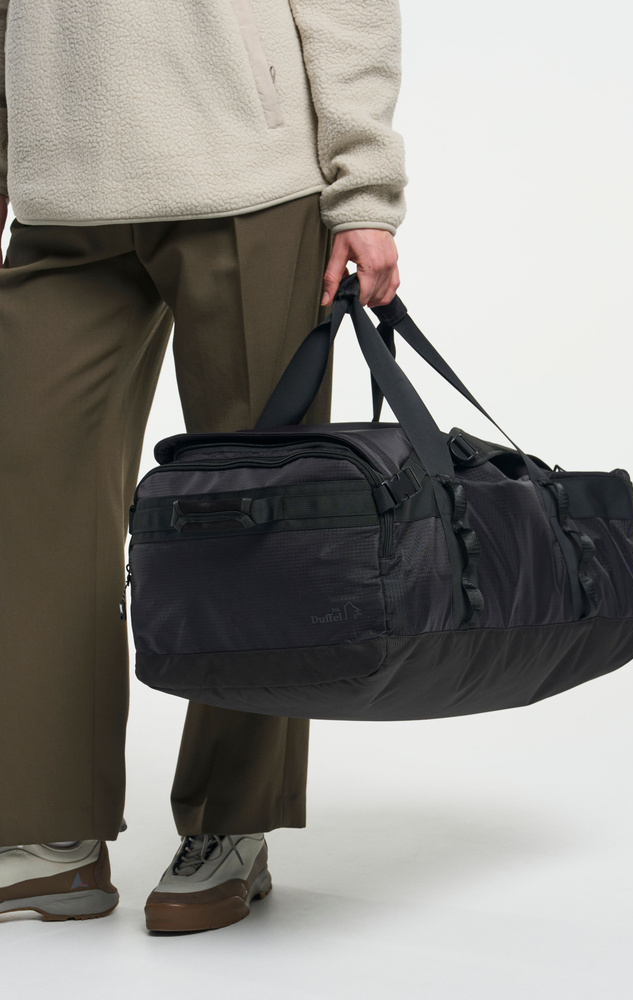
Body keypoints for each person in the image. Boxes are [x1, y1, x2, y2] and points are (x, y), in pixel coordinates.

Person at [0, 0, 408, 932]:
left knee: (259, 510)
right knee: (31, 510)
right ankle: (51, 830)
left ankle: (233, 822)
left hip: (245, 176)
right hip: (61, 194)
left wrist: (363, 193)